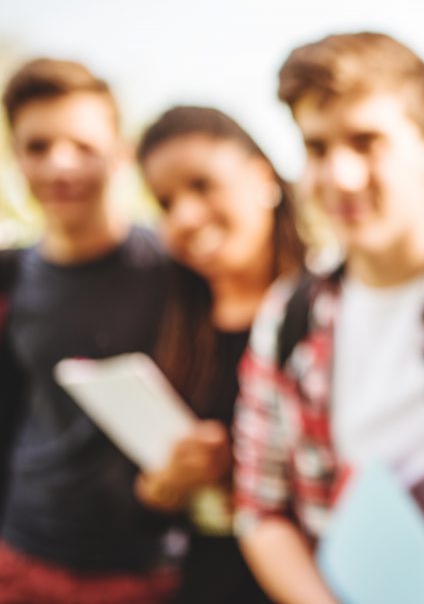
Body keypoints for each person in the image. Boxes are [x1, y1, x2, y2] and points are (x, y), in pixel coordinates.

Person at [233, 32, 424, 604]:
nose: (340, 175)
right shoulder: (287, 315)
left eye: (366, 141)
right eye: (318, 148)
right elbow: (259, 507)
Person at [0, 58, 177, 603]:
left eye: (82, 144)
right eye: (37, 146)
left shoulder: (176, 272)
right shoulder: (10, 277)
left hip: (140, 572)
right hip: (20, 557)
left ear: (120, 153)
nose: (59, 165)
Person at [137, 106, 303, 603]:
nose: (186, 217)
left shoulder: (322, 310)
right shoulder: (168, 321)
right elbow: (142, 504)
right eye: (166, 203)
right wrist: (165, 484)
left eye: (203, 185)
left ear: (263, 178)